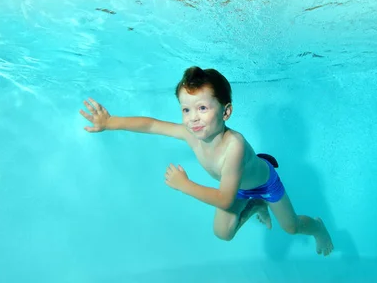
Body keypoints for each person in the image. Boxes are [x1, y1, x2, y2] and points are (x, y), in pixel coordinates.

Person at [79, 66, 333, 255]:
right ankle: (255, 205)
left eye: (202, 108)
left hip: (264, 184)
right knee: (223, 234)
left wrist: (184, 185)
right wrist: (110, 122)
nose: (193, 119)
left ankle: (318, 228)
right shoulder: (190, 134)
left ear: (226, 111)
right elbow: (152, 124)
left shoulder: (234, 146)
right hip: (236, 187)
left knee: (291, 227)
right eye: (186, 109)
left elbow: (224, 199)